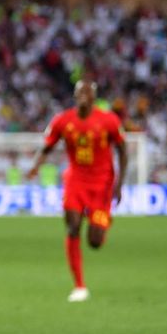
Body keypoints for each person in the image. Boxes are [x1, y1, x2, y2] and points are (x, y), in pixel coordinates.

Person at [27, 81, 126, 302]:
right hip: (76, 182)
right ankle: (79, 286)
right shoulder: (63, 120)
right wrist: (36, 165)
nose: (82, 95)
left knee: (95, 242)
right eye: (78, 92)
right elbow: (47, 146)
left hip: (102, 185)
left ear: (94, 97)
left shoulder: (108, 120)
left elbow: (122, 150)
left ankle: (101, 219)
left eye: (86, 92)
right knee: (72, 228)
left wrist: (119, 184)